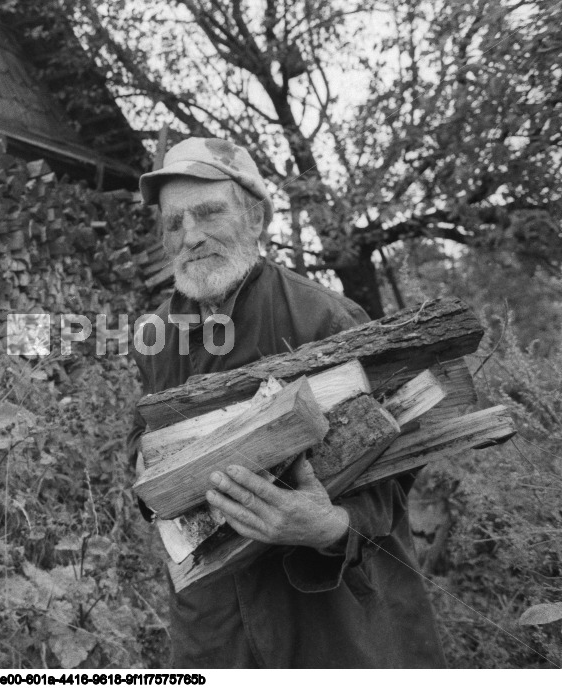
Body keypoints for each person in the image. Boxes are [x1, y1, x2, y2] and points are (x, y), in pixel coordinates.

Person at [127, 138, 446, 668]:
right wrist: (145, 466)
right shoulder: (159, 332)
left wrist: (329, 526)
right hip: (215, 619)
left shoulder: (326, 321)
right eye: (173, 223)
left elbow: (398, 464)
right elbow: (142, 428)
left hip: (325, 614)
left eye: (208, 213)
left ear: (255, 218)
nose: (191, 236)